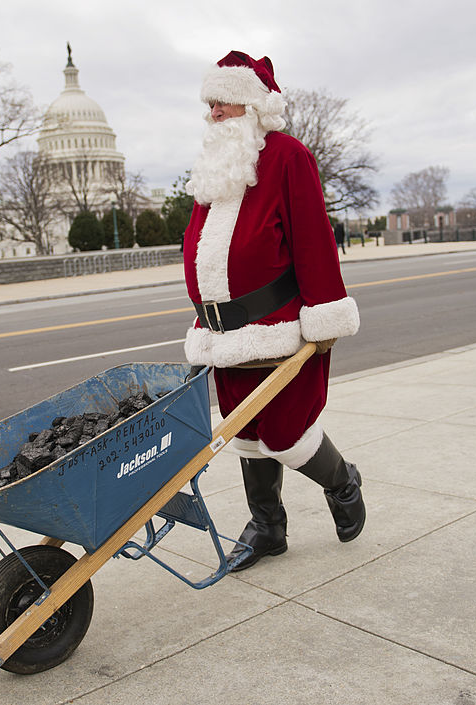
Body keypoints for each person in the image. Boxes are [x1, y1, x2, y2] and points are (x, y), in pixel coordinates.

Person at [181, 51, 365, 572]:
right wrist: (205, 315)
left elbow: (313, 240)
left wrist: (324, 315)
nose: (213, 112)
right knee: (245, 435)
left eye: (224, 103)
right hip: (224, 333)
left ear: (252, 106)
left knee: (286, 432)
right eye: (210, 103)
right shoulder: (216, 165)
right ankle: (268, 528)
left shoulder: (287, 156)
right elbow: (206, 249)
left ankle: (342, 481)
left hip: (280, 327)